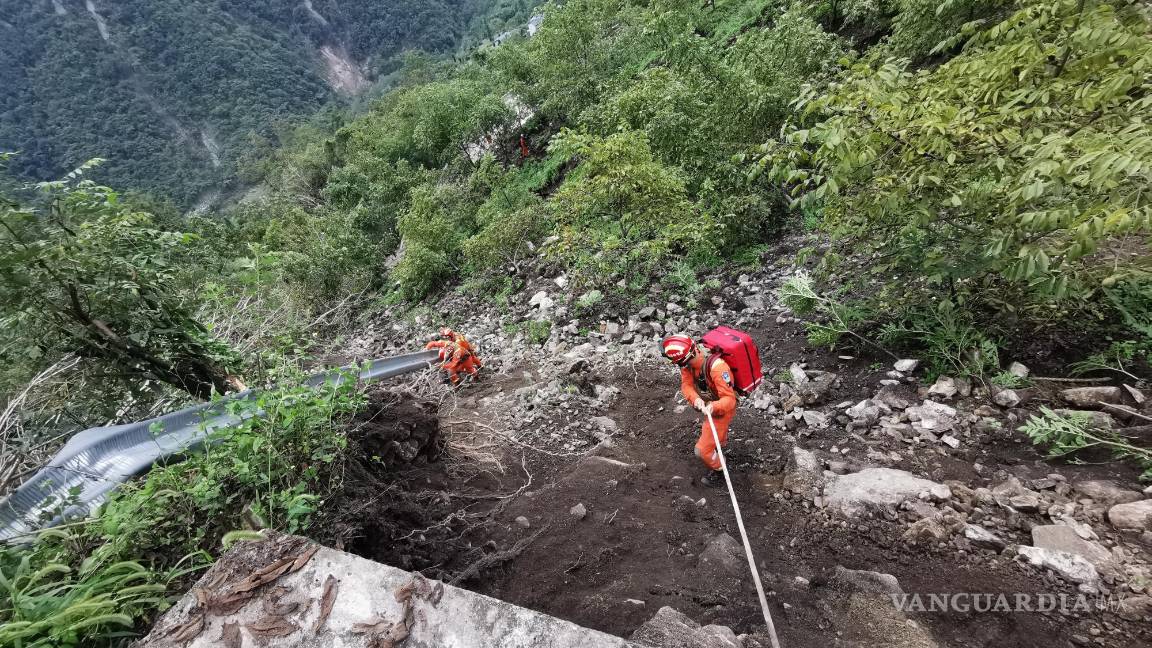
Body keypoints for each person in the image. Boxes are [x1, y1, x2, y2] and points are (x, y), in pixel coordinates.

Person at [661, 334, 737, 487]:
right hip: (711, 404)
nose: (683, 367)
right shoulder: (687, 364)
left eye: (682, 363)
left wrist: (713, 406)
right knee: (714, 439)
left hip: (721, 409)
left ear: (691, 354)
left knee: (701, 451)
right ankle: (718, 445)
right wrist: (695, 399)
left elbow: (730, 400)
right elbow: (686, 386)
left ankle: (720, 470)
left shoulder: (718, 368)